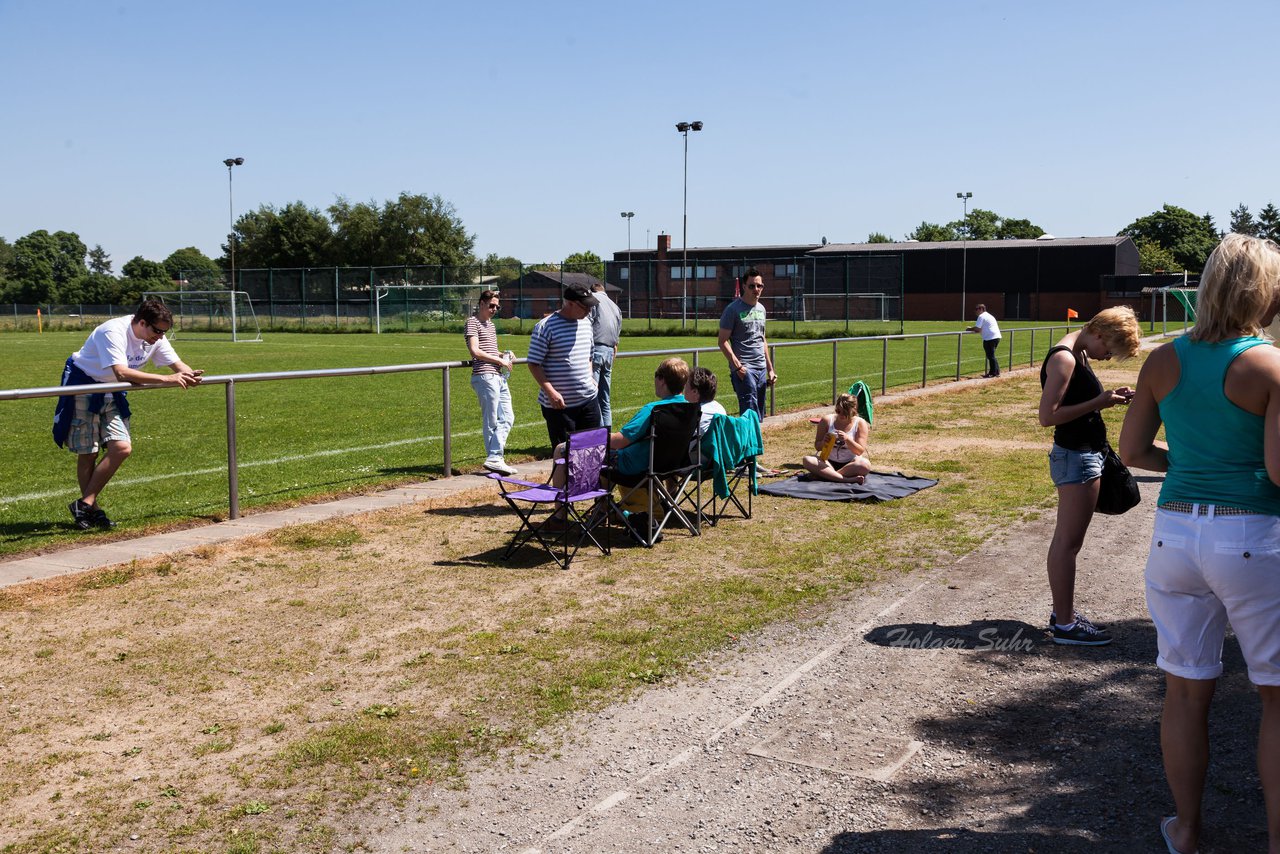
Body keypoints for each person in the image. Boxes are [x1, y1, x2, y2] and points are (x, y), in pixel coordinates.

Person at [1118, 234, 1280, 854]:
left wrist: (1189, 465)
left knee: (1185, 691)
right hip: (1253, 535)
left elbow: (1133, 453)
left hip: (1177, 534)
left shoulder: (1162, 360)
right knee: (1275, 697)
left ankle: (1185, 830)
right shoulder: (1267, 365)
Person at [1037, 305, 1141, 645]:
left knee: (1068, 542)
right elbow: (1048, 416)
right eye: (1109, 349)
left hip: (1083, 454)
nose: (1109, 357)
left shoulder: (1078, 354)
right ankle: (1065, 625)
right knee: (1068, 544)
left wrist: (1107, 398)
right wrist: (1101, 402)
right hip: (1077, 457)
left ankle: (1062, 614)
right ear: (1098, 333)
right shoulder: (1065, 359)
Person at [52, 299, 203, 530]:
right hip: (84, 383)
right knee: (88, 452)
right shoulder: (113, 331)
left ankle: (84, 504)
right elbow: (121, 372)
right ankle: (92, 510)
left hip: (112, 389)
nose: (161, 337)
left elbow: (177, 364)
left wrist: (190, 374)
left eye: (165, 332)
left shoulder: (155, 338)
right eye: (157, 331)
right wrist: (168, 379)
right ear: (142, 322)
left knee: (122, 447)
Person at [526, 285, 601, 451]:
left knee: (591, 453)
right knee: (564, 456)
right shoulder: (546, 327)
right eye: (585, 306)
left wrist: (591, 379)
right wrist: (551, 393)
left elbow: (589, 355)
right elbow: (534, 363)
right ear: (570, 303)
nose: (589, 311)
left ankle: (589, 479)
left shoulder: (586, 323)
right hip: (560, 407)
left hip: (588, 401)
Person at [464, 290, 517, 476]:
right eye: (491, 305)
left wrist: (504, 355)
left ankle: (495, 458)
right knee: (491, 420)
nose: (494, 309)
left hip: (498, 376)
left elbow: (491, 351)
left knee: (508, 417)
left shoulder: (491, 326)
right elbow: (475, 351)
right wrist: (500, 360)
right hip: (485, 376)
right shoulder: (472, 322)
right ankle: (495, 457)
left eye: (497, 306)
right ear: (481, 304)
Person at [719, 267, 776, 418]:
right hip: (745, 369)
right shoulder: (732, 310)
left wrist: (770, 368)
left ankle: (755, 441)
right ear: (744, 286)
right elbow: (722, 341)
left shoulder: (762, 309)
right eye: (752, 286)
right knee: (749, 415)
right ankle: (748, 442)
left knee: (759, 415)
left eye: (759, 286)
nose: (756, 289)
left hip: (761, 368)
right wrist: (738, 367)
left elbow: (762, 339)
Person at [801, 392, 870, 483]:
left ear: (853, 411)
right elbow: (817, 446)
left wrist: (847, 439)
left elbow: (859, 451)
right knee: (807, 460)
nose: (841, 415)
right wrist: (824, 442)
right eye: (838, 411)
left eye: (845, 413)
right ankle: (845, 479)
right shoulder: (826, 420)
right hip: (827, 462)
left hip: (850, 463)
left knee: (865, 465)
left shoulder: (860, 423)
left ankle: (827, 475)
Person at [588, 282, 623, 429]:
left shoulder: (592, 299)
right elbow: (618, 332)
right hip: (610, 352)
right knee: (605, 398)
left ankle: (598, 437)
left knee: (592, 396)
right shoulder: (615, 306)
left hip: (595, 349)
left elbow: (587, 324)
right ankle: (607, 435)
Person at [684, 366, 727, 442]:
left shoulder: (694, 414)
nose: (684, 387)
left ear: (695, 392)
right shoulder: (719, 408)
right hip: (718, 451)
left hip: (699, 452)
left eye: (686, 385)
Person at [968, 304, 1003, 378]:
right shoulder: (989, 315)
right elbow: (979, 329)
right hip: (995, 337)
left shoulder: (981, 316)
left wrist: (969, 329)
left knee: (991, 355)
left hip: (990, 338)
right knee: (991, 355)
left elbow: (977, 329)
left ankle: (993, 373)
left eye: (976, 309)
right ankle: (995, 372)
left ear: (981, 309)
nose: (975, 311)